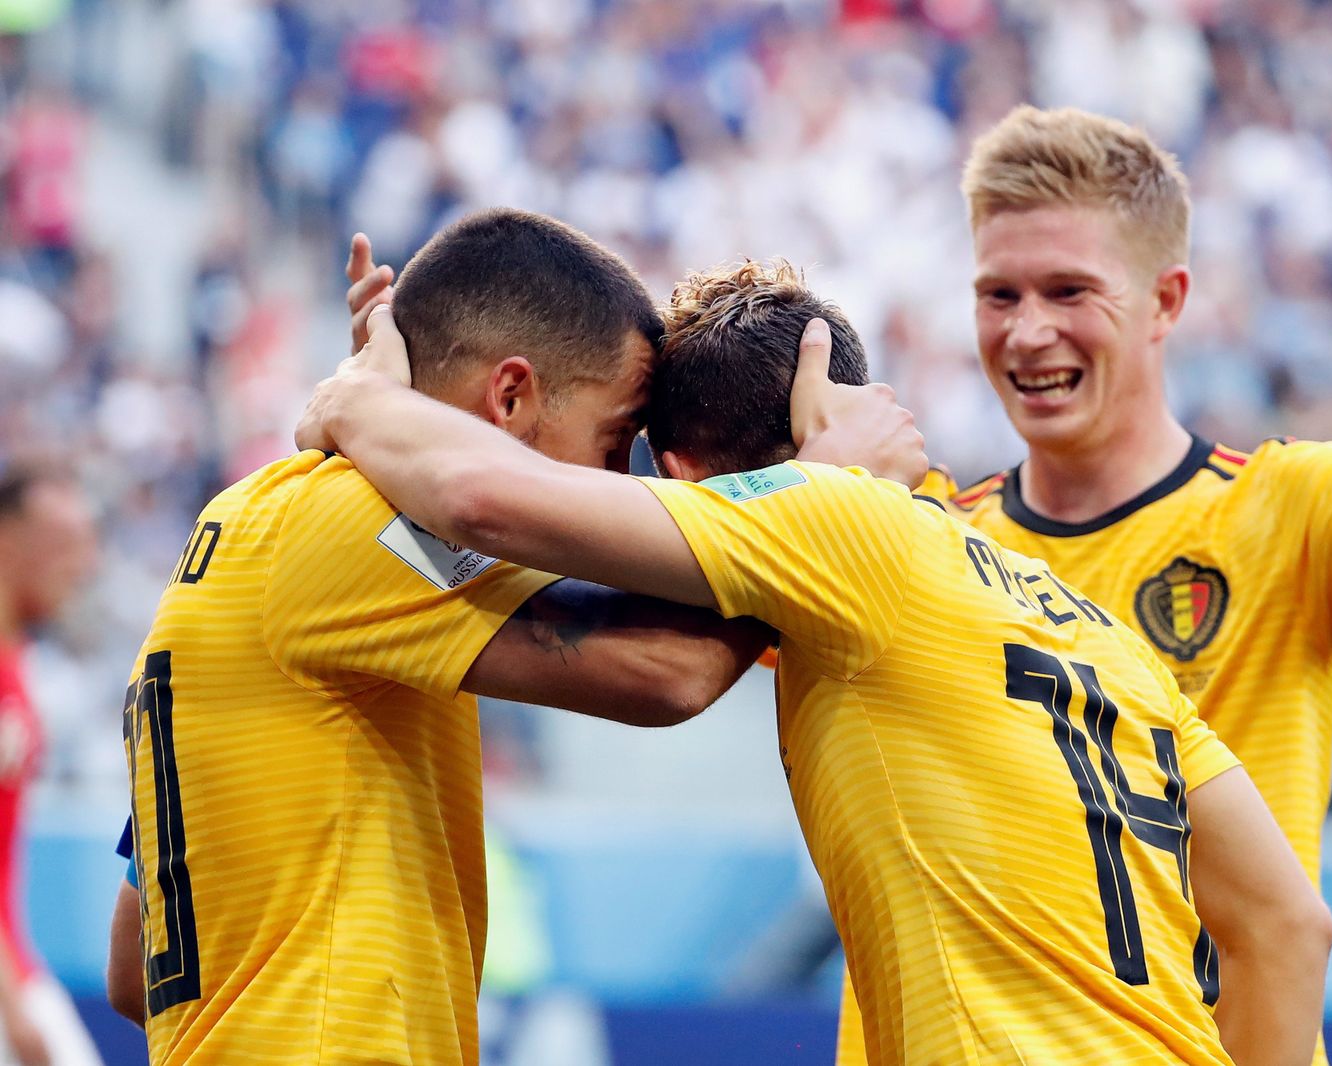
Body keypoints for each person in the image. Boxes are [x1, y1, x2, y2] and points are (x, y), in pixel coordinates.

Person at [297, 260, 1332, 1066]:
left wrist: (357, 399)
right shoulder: (1092, 628)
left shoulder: (834, 529)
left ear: (681, 477)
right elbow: (1290, 924)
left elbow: (478, 499)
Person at [115, 209, 916, 1064]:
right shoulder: (351, 518)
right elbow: (669, 669)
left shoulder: (262, 525)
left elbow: (132, 970)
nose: (621, 483)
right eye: (615, 440)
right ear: (509, 397)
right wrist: (826, 494)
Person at [817, 104, 1332, 1066]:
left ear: (1166, 300)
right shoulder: (916, 537)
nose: (1027, 332)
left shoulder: (1282, 507)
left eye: (1069, 291)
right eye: (999, 295)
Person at [0, 464, 105, 1066]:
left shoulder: (18, 660)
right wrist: (14, 1008)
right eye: (65, 544)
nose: (84, 566)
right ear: (9, 540)